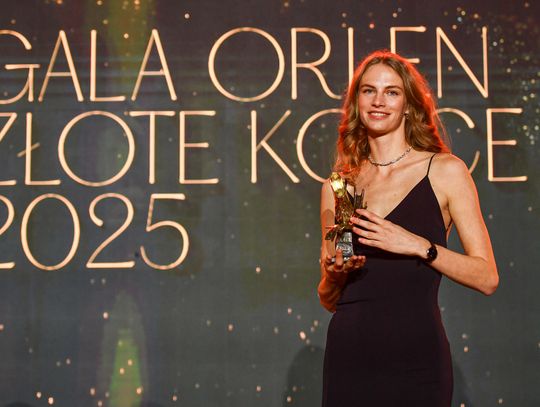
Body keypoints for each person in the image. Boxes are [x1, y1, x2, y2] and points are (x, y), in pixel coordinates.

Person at [318, 50, 498, 407]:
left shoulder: (445, 171)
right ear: (356, 103)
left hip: (416, 360)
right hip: (349, 358)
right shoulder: (339, 186)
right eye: (369, 91)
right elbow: (327, 298)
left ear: (408, 105)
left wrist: (418, 245)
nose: (379, 101)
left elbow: (487, 278)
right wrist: (335, 276)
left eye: (391, 92)